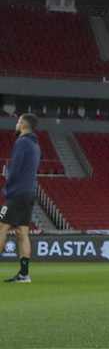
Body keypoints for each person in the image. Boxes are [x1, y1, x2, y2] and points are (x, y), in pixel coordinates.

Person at [1, 114, 40, 283]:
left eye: (18, 122)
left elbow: (15, 169)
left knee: (2, 227)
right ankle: (24, 273)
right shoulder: (35, 145)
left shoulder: (22, 143)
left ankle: (24, 274)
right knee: (22, 232)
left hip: (18, 193)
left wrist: (8, 187)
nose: (16, 125)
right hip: (29, 193)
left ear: (23, 125)